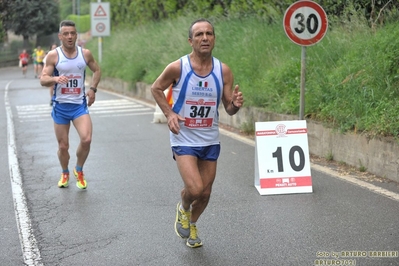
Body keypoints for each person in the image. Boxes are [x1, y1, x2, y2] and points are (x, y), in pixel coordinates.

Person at [151, 18, 244, 248]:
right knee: (195, 188)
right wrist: (170, 113)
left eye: (209, 34)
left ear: (214, 39)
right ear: (190, 41)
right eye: (200, 34)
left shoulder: (223, 71)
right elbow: (155, 88)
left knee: (205, 193)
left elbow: (229, 109)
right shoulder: (178, 67)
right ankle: (182, 208)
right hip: (183, 136)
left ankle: (192, 224)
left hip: (210, 138)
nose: (205, 38)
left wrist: (236, 105)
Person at [40, 20, 101, 189]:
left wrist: (93, 89)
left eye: (72, 33)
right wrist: (55, 78)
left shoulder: (85, 54)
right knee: (63, 145)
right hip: (60, 107)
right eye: (65, 34)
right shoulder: (54, 56)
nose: (69, 36)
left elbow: (97, 70)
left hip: (79, 106)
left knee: (86, 139)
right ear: (60, 36)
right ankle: (65, 171)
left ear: (76, 35)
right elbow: (43, 79)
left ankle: (79, 170)